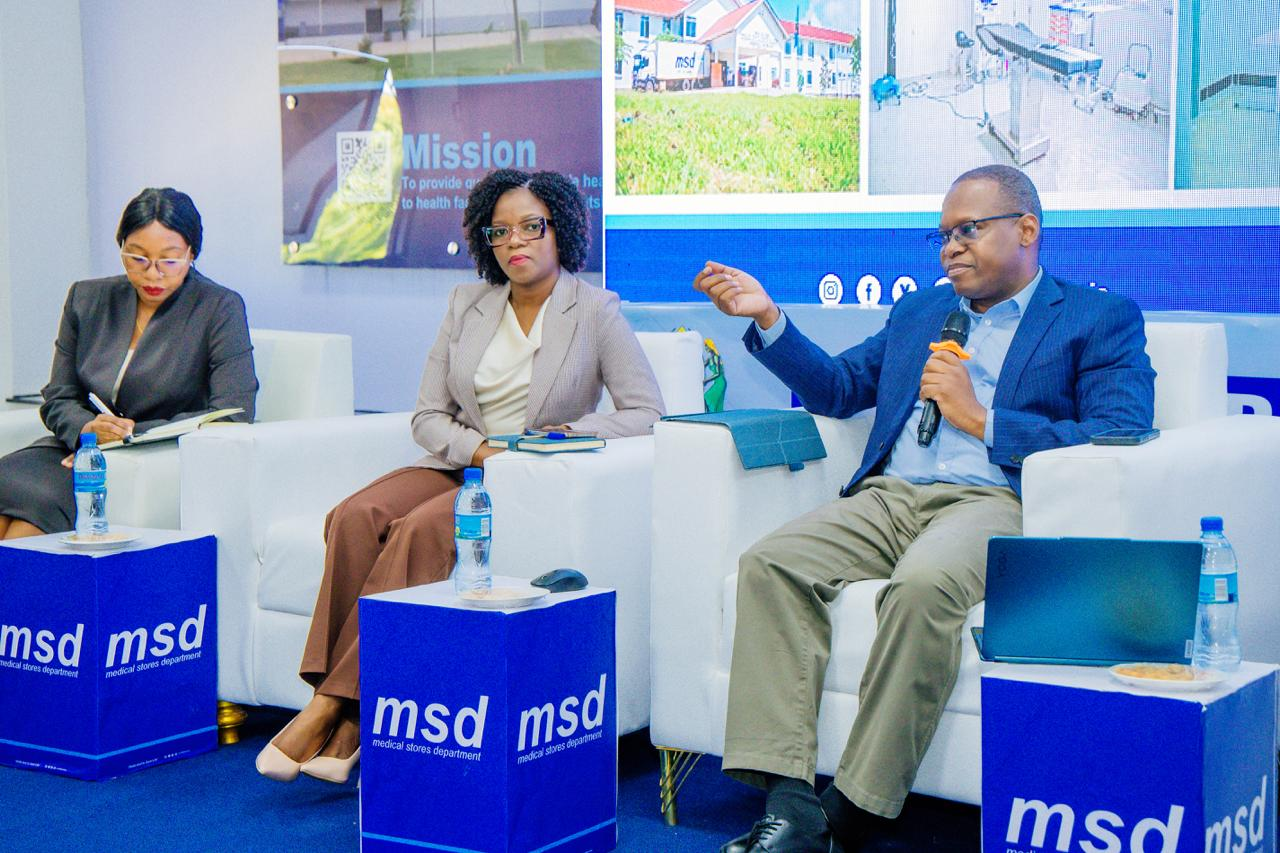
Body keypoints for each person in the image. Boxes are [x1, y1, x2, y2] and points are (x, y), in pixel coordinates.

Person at [692, 165, 1155, 853]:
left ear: (1027, 229)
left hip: (994, 497)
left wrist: (982, 419)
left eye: (968, 230)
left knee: (922, 586)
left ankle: (852, 812)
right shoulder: (920, 312)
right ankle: (791, 806)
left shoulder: (1096, 317)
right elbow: (839, 387)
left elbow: (1121, 430)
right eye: (943, 236)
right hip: (889, 495)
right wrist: (768, 317)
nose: (951, 248)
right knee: (771, 563)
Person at [256, 169, 665, 784]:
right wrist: (479, 449)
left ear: (560, 229)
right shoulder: (465, 304)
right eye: (500, 231)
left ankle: (330, 708)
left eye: (531, 227)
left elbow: (646, 411)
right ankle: (346, 723)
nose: (515, 241)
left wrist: (568, 434)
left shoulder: (595, 311)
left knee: (421, 531)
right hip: (463, 461)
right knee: (353, 516)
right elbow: (427, 416)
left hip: (524, 480)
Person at [0, 188, 257, 540]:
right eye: (137, 257)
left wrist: (125, 436)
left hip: (148, 458)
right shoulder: (86, 298)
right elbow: (59, 396)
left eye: (169, 260)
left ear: (192, 253)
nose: (153, 274)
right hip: (73, 448)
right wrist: (88, 430)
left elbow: (234, 413)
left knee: (28, 525)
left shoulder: (218, 308)